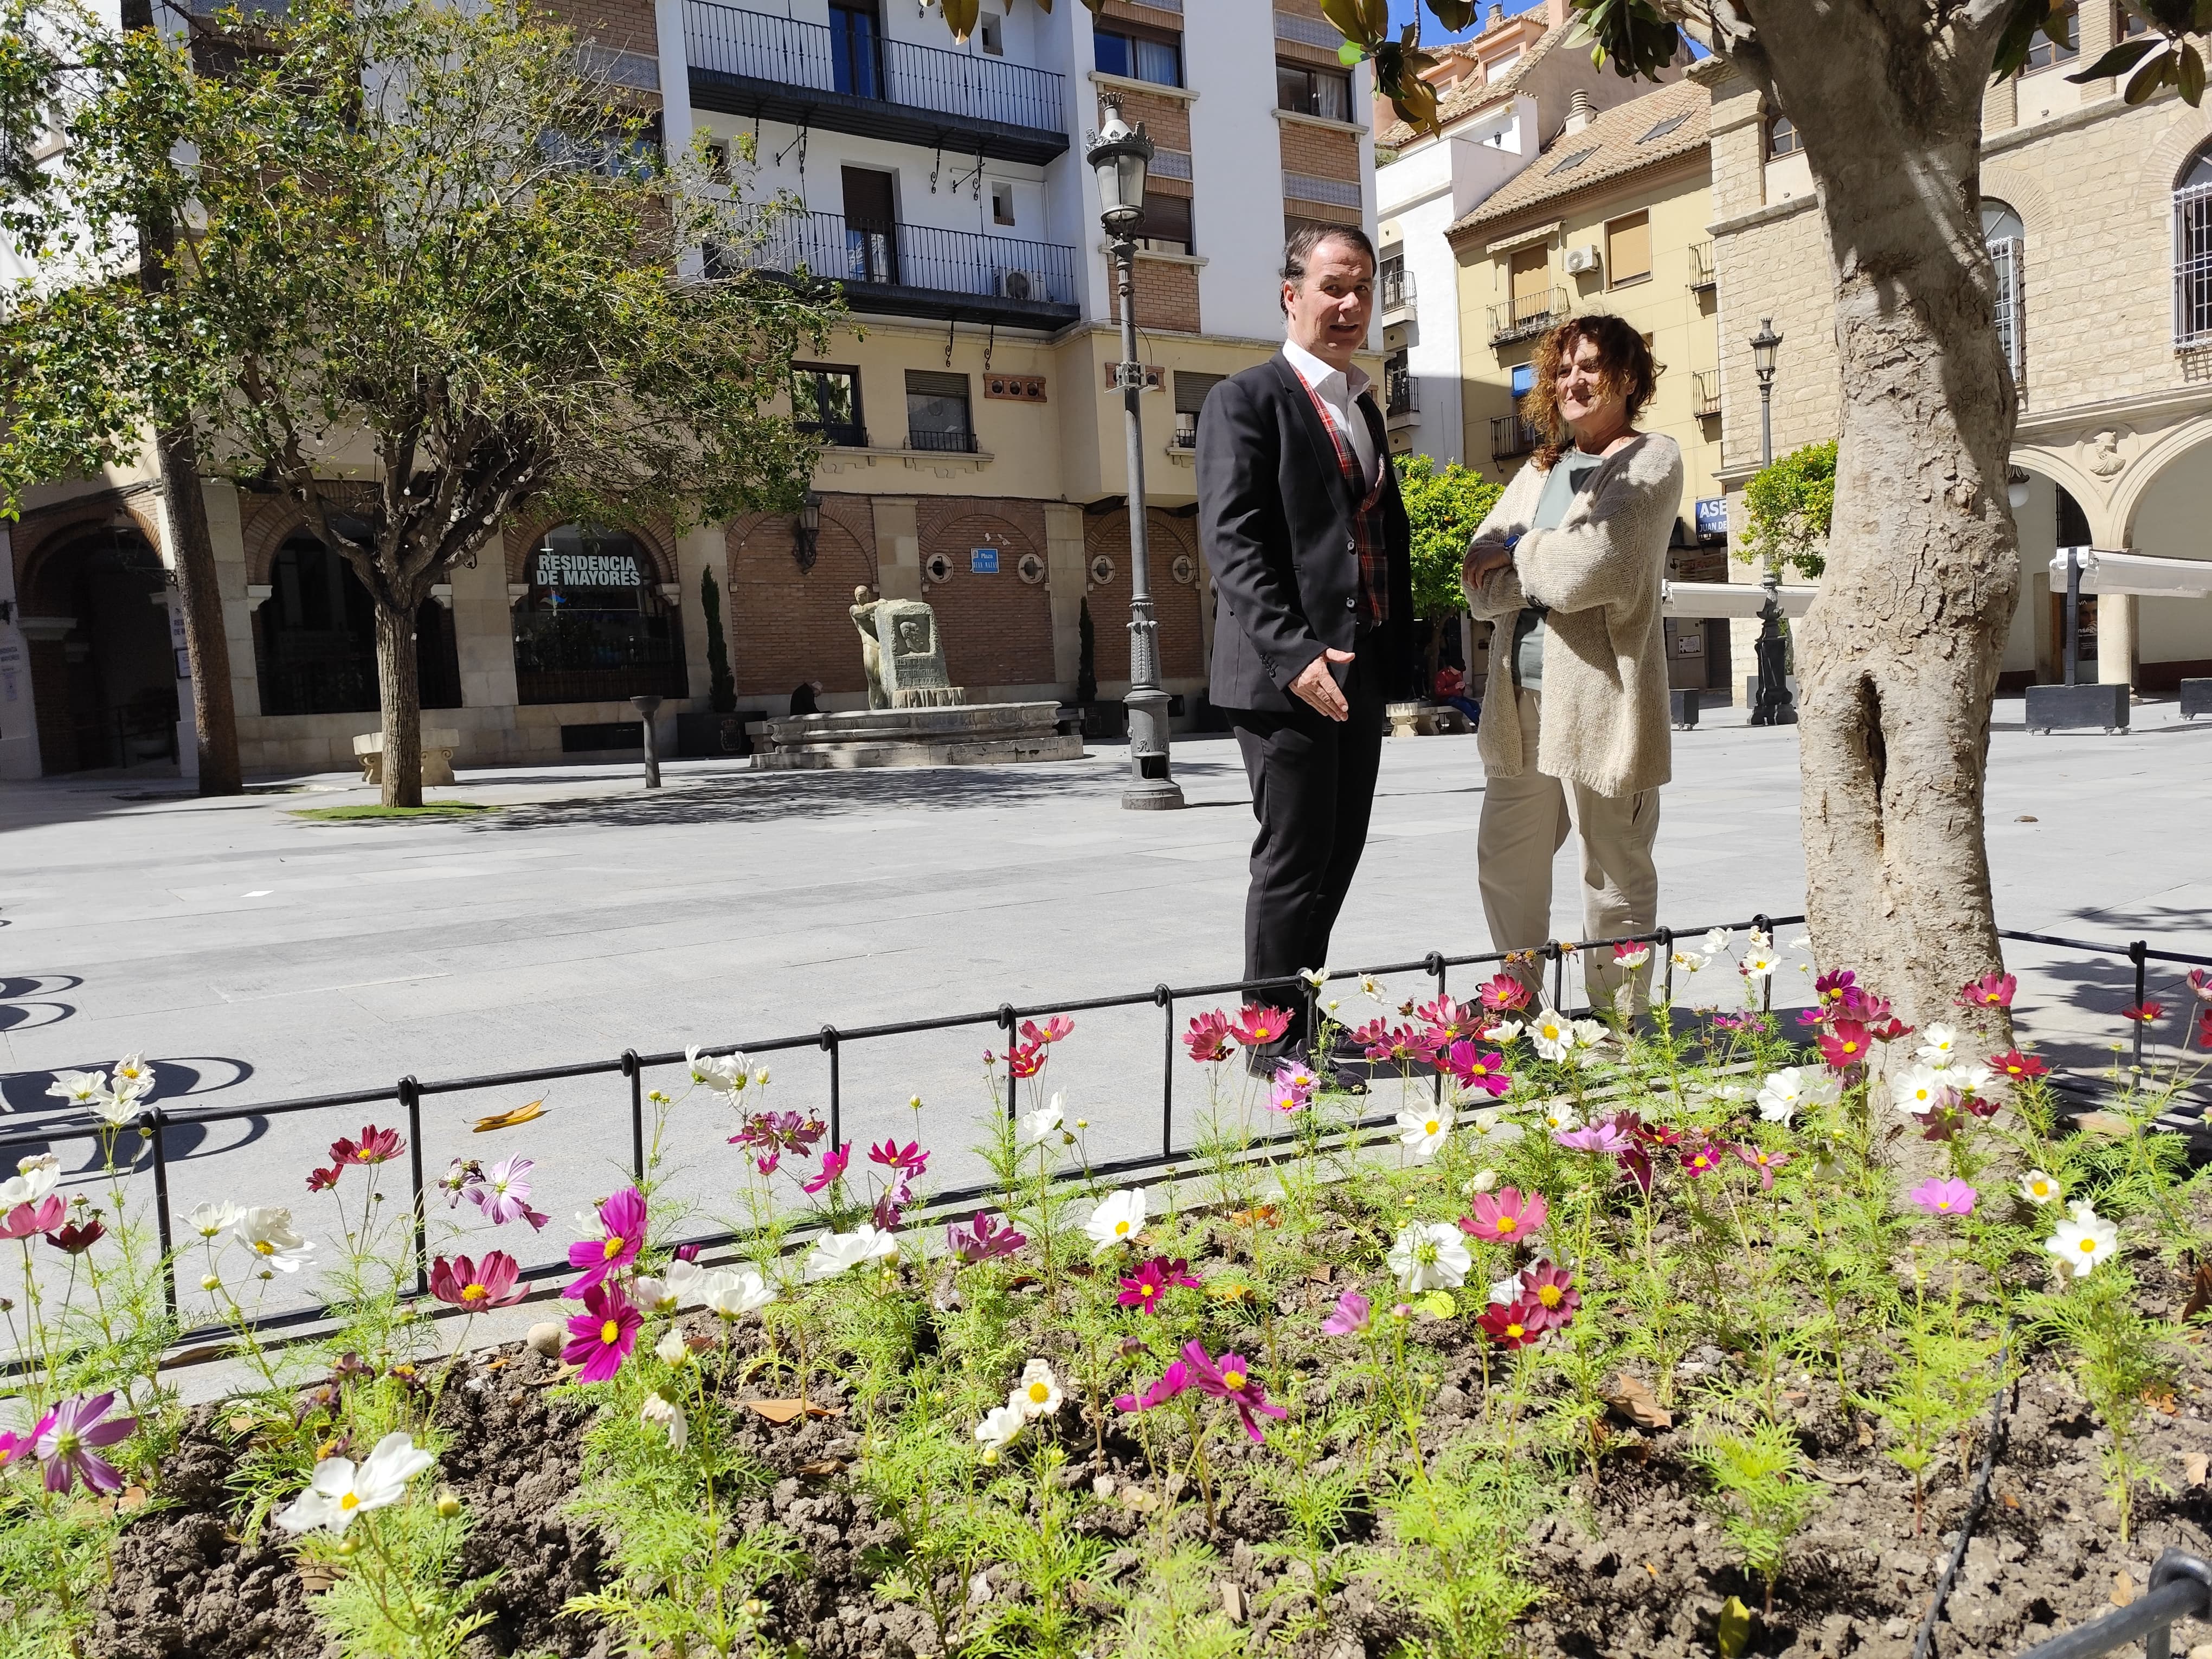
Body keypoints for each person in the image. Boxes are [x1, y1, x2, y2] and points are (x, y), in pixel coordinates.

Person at [1197, 224, 1415, 1075]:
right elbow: (1235, 544)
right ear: (1292, 295)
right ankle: (1269, 1035)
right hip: (1284, 675)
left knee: (1340, 847)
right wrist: (1296, 658)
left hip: (1357, 669)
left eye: (1362, 286)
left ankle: (1303, 1007)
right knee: (1291, 854)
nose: (1350, 302)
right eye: (1333, 285)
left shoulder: (1362, 405)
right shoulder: (1246, 399)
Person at [1461, 314, 1682, 1012]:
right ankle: (1516, 1001)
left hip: (1603, 698)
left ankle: (1621, 1019)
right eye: (1561, 370)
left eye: (1589, 366)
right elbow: (1476, 581)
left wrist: (1520, 548)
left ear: (1627, 377)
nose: (1572, 381)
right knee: (1506, 859)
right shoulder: (1539, 470)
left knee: (1613, 864)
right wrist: (1533, 557)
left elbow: (1594, 567)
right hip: (1519, 697)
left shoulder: (1651, 460)